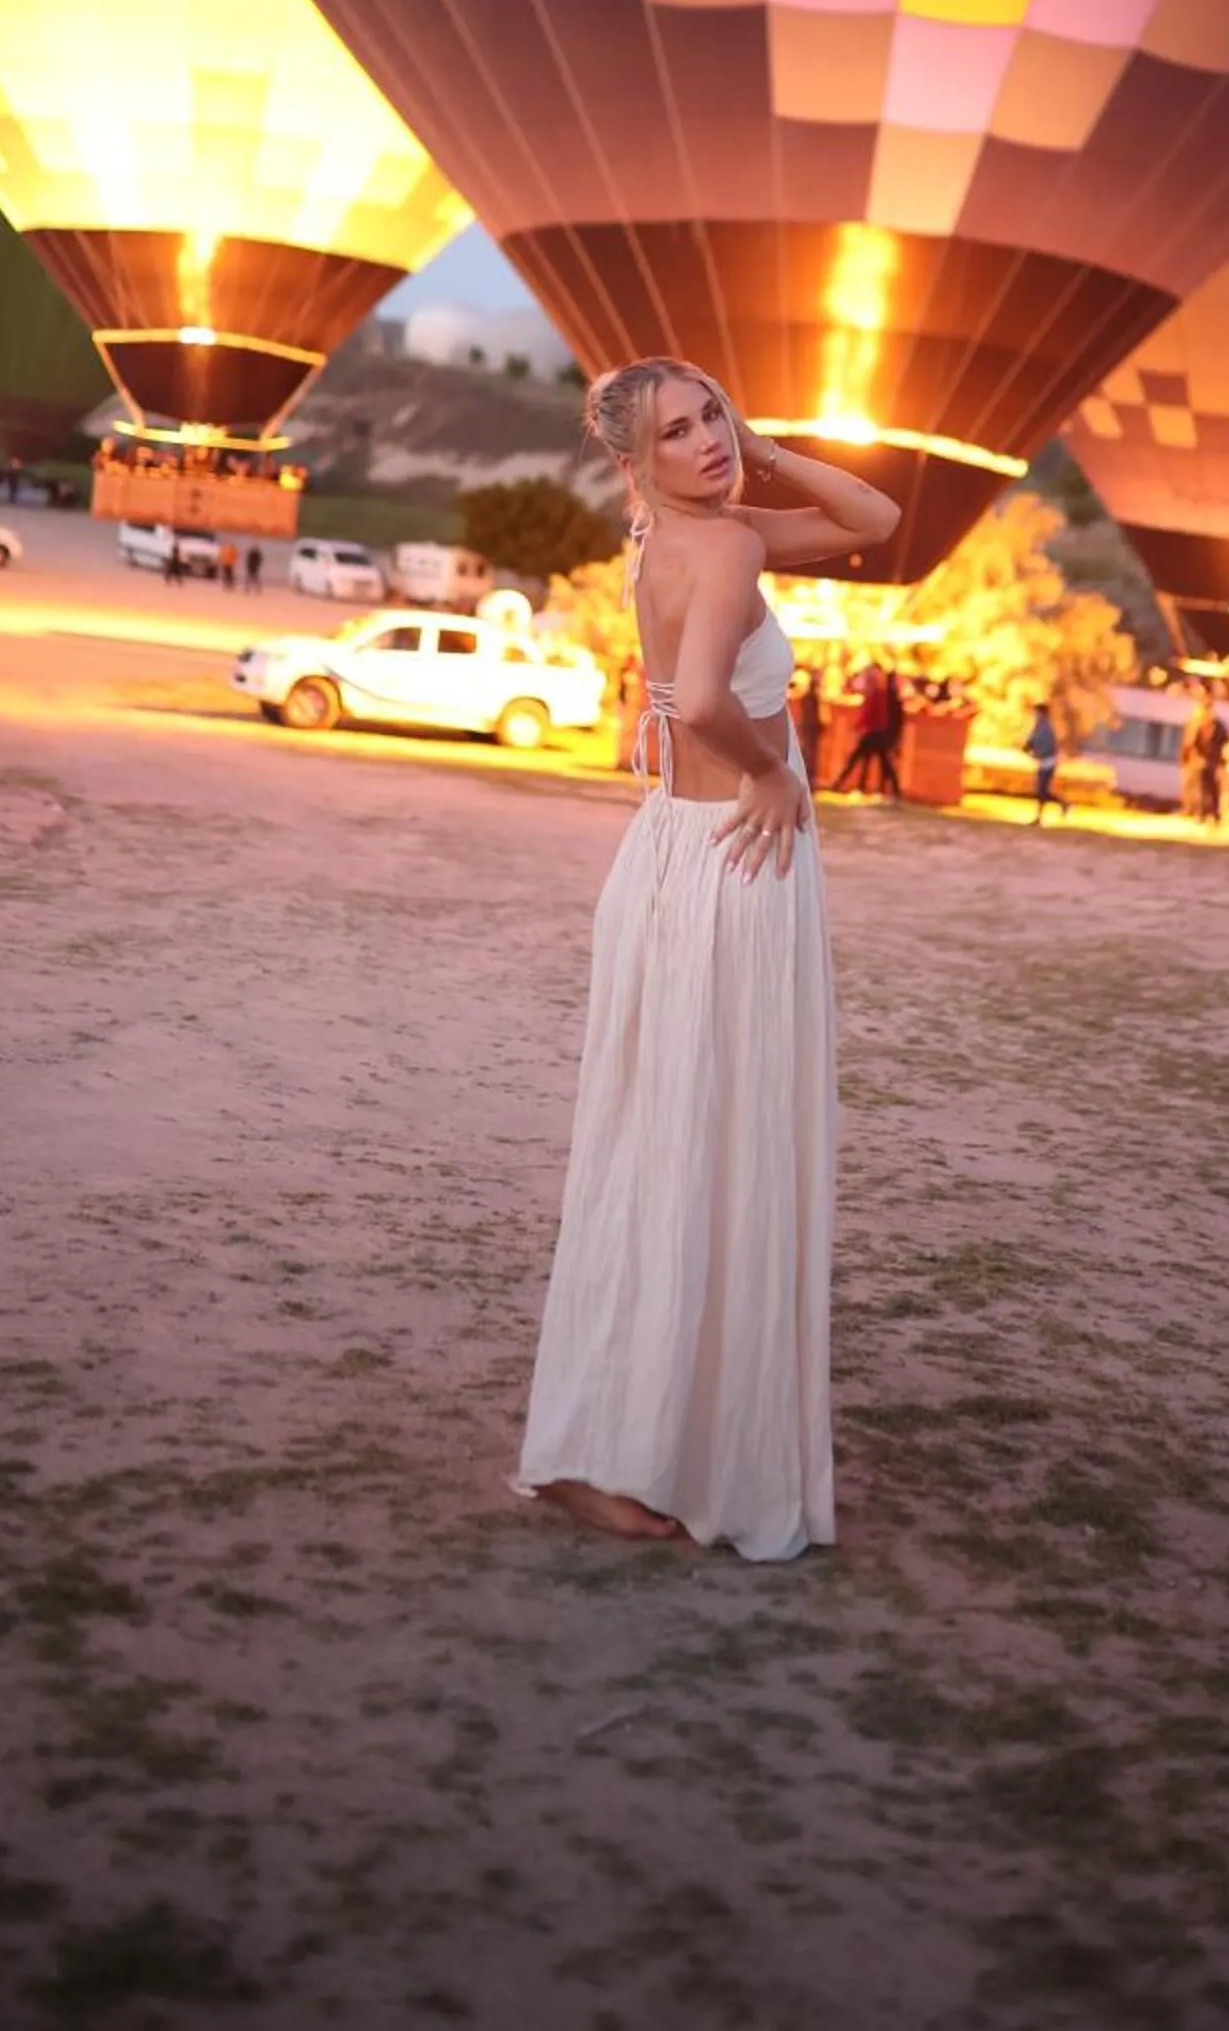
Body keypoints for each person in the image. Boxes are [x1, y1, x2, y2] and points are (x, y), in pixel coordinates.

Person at [516, 356, 899, 1560]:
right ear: (634, 462)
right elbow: (693, 701)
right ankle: (648, 1452)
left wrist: (764, 449)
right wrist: (775, 772)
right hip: (734, 857)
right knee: (714, 1158)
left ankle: (614, 1446)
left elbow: (876, 520)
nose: (707, 443)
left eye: (712, 417)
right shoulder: (723, 546)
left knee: (668, 1158)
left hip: (682, 856)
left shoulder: (682, 536)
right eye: (676, 433)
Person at [834, 660, 902, 800]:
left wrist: (858, 727)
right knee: (877, 761)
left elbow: (869, 714)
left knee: (859, 759)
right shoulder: (881, 693)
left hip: (872, 732)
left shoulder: (875, 694)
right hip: (878, 732)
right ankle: (889, 789)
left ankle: (843, 784)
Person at [1179, 690, 1225, 823]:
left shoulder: (1199, 722)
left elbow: (1190, 742)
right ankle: (1211, 814)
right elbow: (1225, 740)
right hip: (1209, 761)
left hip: (1203, 761)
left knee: (1205, 789)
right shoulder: (1215, 724)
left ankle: (1205, 814)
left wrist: (1186, 757)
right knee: (1210, 789)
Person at [1024, 699, 1063, 823]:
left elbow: (1048, 746)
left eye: (1037, 713)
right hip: (1044, 762)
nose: (1035, 715)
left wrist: (1036, 752)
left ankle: (1041, 816)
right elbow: (1032, 740)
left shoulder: (1046, 728)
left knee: (1042, 790)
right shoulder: (1040, 726)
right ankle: (1061, 804)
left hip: (1048, 762)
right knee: (1042, 790)